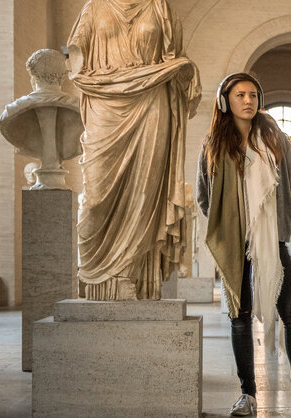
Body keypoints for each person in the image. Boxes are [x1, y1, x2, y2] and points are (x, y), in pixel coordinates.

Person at [196, 72, 291, 416]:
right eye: (240, 95)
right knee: (239, 317)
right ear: (225, 102)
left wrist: (280, 231)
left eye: (253, 95)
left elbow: (289, 188)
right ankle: (248, 396)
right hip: (235, 242)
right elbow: (205, 195)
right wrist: (230, 226)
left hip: (272, 240)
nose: (248, 101)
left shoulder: (276, 139)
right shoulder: (213, 143)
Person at [67, 0, 201, 300]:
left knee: (144, 195)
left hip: (152, 106)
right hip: (104, 105)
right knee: (94, 199)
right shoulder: (94, 8)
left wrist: (184, 69)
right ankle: (95, 278)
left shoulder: (161, 8)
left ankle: (134, 278)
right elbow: (75, 59)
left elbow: (177, 60)